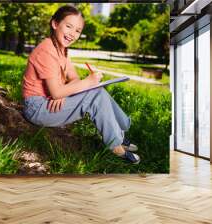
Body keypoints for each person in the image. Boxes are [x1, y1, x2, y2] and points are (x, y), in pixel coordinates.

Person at [21, 5, 140, 164]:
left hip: (48, 101)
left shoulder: (62, 50)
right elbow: (57, 92)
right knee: (95, 94)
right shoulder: (46, 50)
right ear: (55, 24)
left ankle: (121, 131)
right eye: (68, 26)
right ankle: (115, 145)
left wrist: (66, 91)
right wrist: (81, 84)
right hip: (37, 108)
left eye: (77, 30)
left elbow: (74, 79)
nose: (72, 34)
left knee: (97, 90)